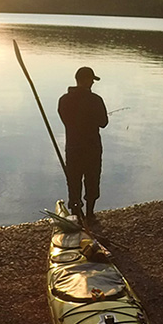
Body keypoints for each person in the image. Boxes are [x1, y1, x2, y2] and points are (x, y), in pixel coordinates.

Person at [57, 66, 108, 222]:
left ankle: (76, 214)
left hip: (72, 147)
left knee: (73, 180)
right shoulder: (95, 100)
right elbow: (104, 122)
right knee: (92, 179)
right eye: (91, 80)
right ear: (85, 80)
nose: (92, 83)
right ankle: (90, 214)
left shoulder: (64, 100)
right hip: (92, 147)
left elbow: (65, 120)